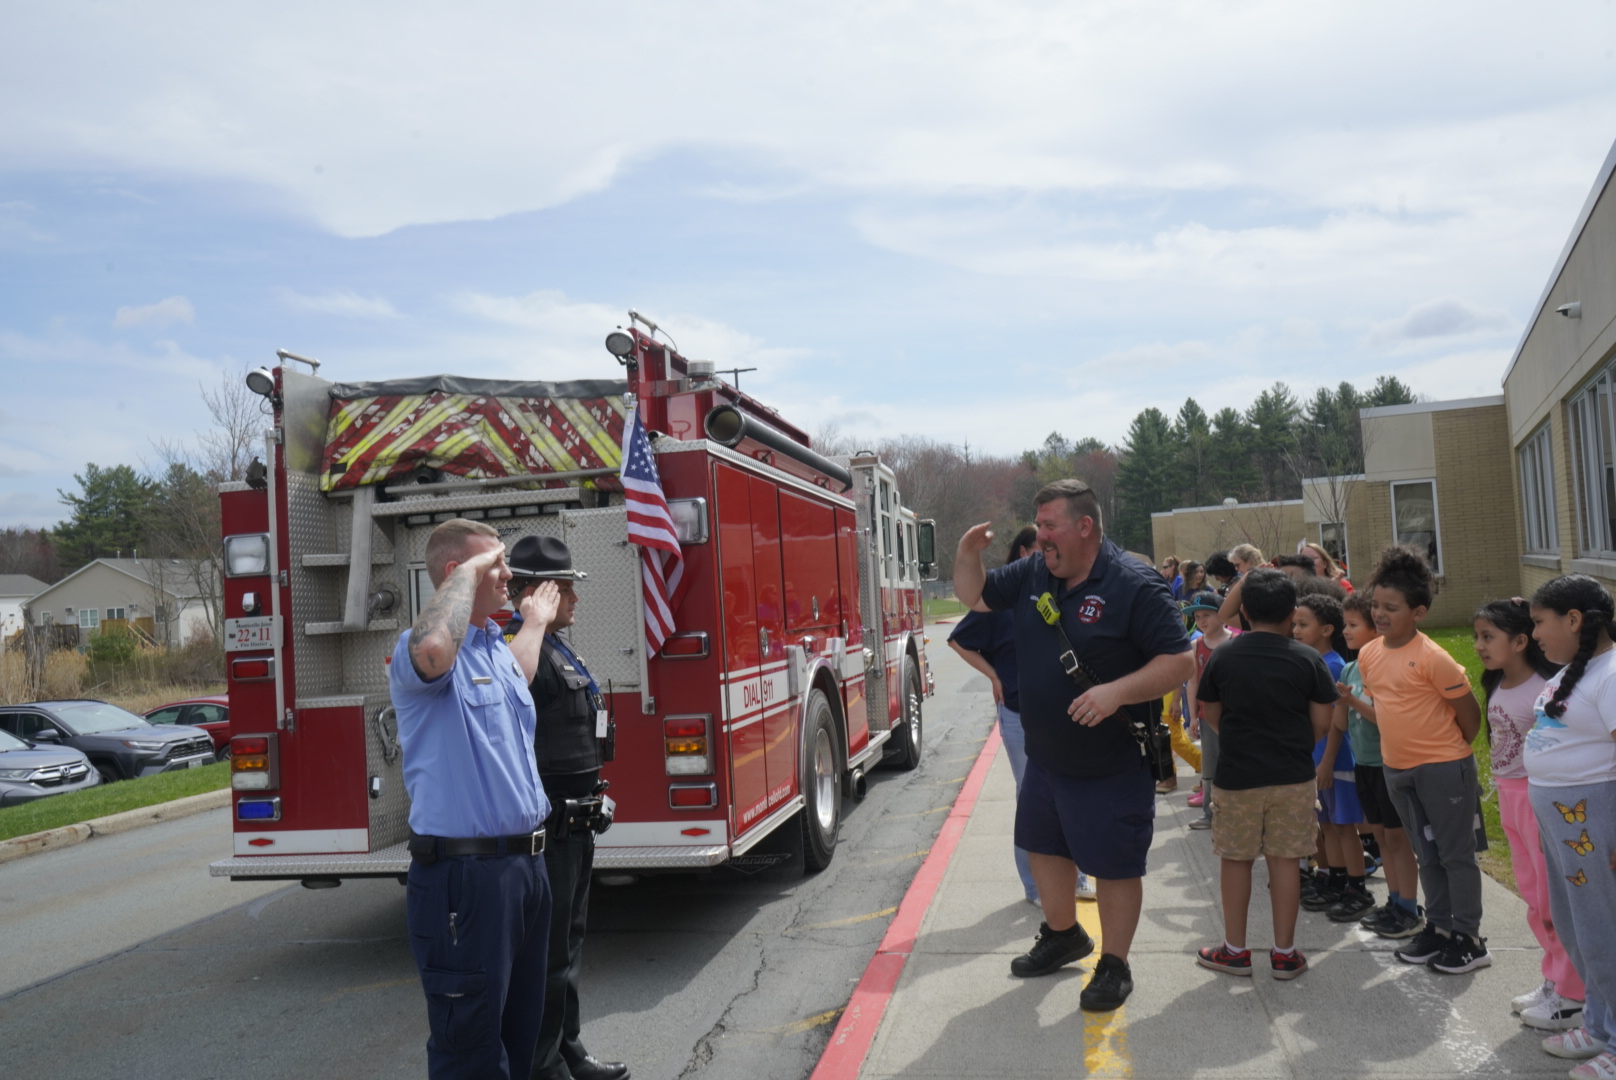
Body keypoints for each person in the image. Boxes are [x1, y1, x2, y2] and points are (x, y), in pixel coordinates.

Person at [954, 479, 1194, 1012]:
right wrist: (968, 554)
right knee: (1044, 847)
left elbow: (1180, 662)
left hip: (1109, 759)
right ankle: (1064, 935)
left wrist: (1115, 693)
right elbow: (974, 595)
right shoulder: (1035, 571)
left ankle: (1115, 964)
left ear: (1084, 527)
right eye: (1037, 526)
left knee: (1113, 865)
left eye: (1049, 526)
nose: (1040, 537)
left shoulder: (1135, 584)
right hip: (1046, 758)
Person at [392, 518, 558, 1080]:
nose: (508, 574)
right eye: (496, 565)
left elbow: (521, 669)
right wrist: (466, 571)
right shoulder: (423, 654)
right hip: (466, 880)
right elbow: (436, 645)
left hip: (523, 872)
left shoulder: (492, 647)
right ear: (454, 575)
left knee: (518, 1035)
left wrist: (535, 621)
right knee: (473, 1054)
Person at [503, 536, 630, 1080]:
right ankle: (542, 1064)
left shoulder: (560, 647)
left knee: (569, 948)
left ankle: (568, 1050)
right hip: (552, 828)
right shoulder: (524, 648)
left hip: (578, 824)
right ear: (537, 593)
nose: (575, 598)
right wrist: (529, 624)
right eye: (566, 587)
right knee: (548, 956)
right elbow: (513, 694)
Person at [1194, 569, 1336, 980]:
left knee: (1236, 860)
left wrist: (1241, 739)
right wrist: (1292, 744)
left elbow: (1212, 713)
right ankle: (1285, 954)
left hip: (1237, 775)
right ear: (1293, 613)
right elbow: (1322, 722)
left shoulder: (1223, 655)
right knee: (1286, 861)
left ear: (1244, 612)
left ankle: (1235, 951)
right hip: (1292, 774)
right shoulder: (1307, 658)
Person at [1356, 545, 1488, 974]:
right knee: (1426, 854)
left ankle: (1469, 938)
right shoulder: (1369, 654)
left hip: (1444, 769)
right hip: (1397, 770)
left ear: (1418, 612)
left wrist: (1449, 757)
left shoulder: (1435, 659)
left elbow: (1470, 718)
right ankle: (1440, 928)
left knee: (1456, 855)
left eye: (1390, 608)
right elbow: (1387, 710)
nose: (1379, 614)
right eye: (1375, 604)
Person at [950, 526, 1098, 903]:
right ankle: (1035, 886)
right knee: (1032, 797)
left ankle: (1076, 876)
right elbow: (958, 639)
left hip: (1068, 712)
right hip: (1018, 713)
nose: (1050, 555)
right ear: (1021, 553)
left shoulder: (1067, 590)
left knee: (1070, 793)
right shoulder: (1000, 601)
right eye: (1041, 548)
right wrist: (994, 675)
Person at [1473, 598, 1582, 1032]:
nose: (1479, 645)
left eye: (1488, 637)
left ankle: (1574, 994)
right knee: (1534, 899)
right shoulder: (1497, 681)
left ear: (1520, 641)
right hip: (1510, 798)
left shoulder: (1544, 686)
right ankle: (1554, 979)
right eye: (1477, 636)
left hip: (1538, 800)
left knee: (1553, 901)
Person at [1526, 576, 1616, 1074]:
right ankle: (1602, 1026)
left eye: (1540, 623)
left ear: (1575, 619)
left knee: (1604, 932)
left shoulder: (1612, 674)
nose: (1535, 634)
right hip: (1562, 823)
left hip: (1592, 820)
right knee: (1579, 928)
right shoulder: (1572, 672)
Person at [1336, 593, 1424, 939]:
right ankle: (1395, 900)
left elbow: (1388, 720)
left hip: (1390, 762)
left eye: (1353, 625)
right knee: (1382, 838)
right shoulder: (1348, 668)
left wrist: (1352, 699)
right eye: (1345, 624)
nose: (1346, 631)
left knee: (1398, 838)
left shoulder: (1385, 667)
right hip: (1365, 764)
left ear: (1375, 631)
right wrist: (1341, 703)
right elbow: (1343, 724)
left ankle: (1409, 907)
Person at [1291, 594, 1371, 921]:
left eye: (1303, 624)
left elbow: (1336, 725)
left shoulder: (1334, 665)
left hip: (1335, 762)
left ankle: (1356, 887)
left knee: (1343, 826)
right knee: (1325, 824)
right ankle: (1333, 877)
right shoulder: (1310, 661)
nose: (1295, 630)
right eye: (1294, 624)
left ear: (1325, 629)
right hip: (1316, 761)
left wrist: (1325, 763)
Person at [1184, 592, 1237, 830]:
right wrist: (1193, 716)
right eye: (1197, 616)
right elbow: (1192, 682)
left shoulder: (1236, 641)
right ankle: (1210, 813)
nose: (1202, 620)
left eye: (1207, 614)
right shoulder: (1195, 645)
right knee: (1210, 765)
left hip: (1235, 716)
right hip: (1207, 717)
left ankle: (1236, 811)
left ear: (1222, 615)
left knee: (1235, 762)